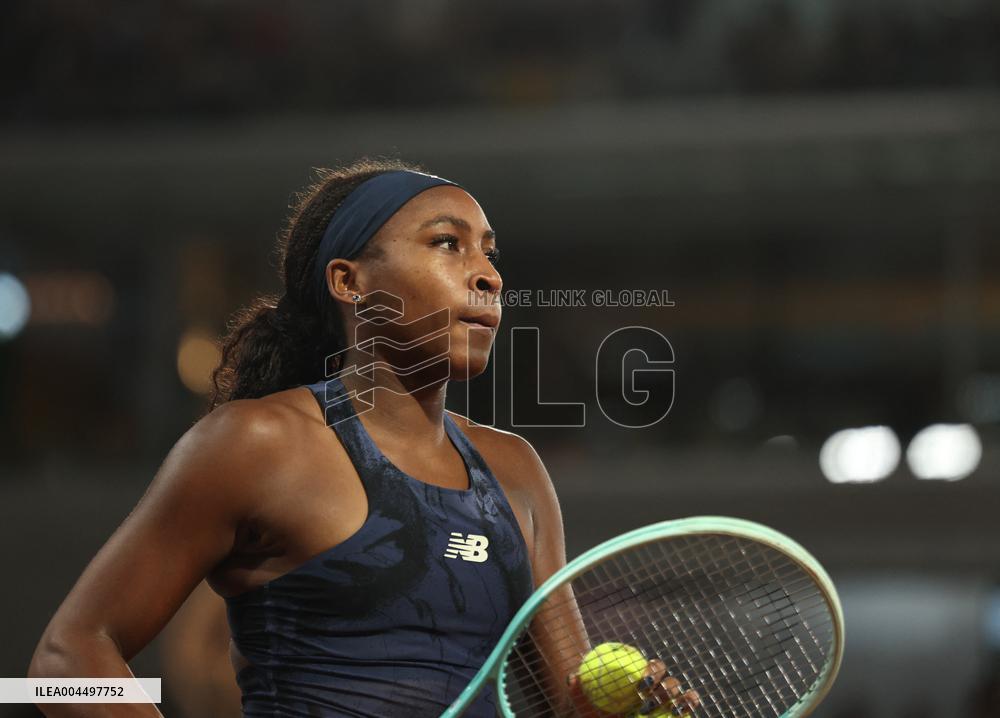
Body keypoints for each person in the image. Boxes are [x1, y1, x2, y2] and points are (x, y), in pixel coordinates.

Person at [28, 158, 699, 717]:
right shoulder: (258, 444)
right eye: (447, 243)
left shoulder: (516, 471)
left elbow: (566, 704)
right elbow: (66, 658)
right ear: (351, 282)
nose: (489, 275)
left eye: (490, 253)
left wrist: (633, 711)